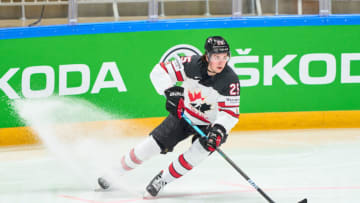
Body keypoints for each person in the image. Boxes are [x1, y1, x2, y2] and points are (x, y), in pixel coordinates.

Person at [97, 36, 240, 197]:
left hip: (209, 125)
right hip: (184, 114)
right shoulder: (191, 64)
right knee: (149, 147)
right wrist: (169, 91)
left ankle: (163, 179)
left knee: (197, 153)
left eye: (224, 57)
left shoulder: (230, 80)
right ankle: (115, 172)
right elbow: (159, 72)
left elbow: (230, 113)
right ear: (207, 56)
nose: (221, 62)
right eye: (216, 57)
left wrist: (218, 130)